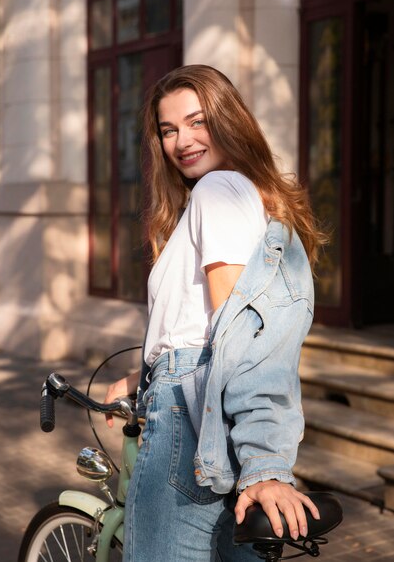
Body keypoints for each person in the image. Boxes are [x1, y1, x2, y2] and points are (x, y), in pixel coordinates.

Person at [104, 64, 324, 562]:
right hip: (201, 406)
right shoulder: (244, 194)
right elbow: (206, 333)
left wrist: (265, 463)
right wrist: (143, 378)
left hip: (186, 419)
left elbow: (241, 340)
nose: (182, 140)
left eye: (197, 121)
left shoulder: (218, 193)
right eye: (168, 129)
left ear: (228, 120)